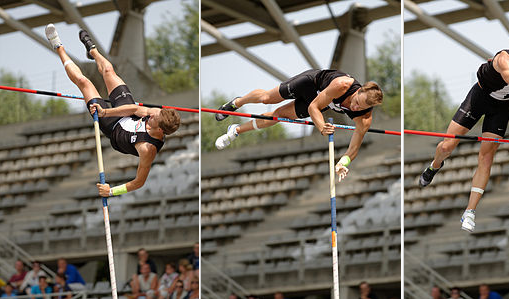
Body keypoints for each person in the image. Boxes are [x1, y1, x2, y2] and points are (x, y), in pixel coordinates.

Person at [44, 24, 180, 198]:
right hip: (125, 114)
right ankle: (92, 51)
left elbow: (139, 182)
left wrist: (112, 191)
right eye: (155, 112)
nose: (152, 114)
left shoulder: (148, 149)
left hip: (115, 129)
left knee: (83, 82)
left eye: (154, 118)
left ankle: (58, 45)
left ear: (160, 130)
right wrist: (106, 111)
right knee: (108, 70)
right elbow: (135, 109)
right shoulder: (157, 113)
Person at [214, 69, 383, 181]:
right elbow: (313, 107)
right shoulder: (342, 85)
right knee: (267, 99)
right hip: (309, 84)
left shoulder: (364, 118)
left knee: (279, 116)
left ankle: (235, 130)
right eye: (356, 102)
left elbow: (353, 149)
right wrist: (322, 127)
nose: (355, 108)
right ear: (358, 91)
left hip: (319, 102)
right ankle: (237, 102)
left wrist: (342, 163)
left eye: (361, 108)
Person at [419, 50, 509, 232]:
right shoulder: (504, 59)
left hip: (502, 108)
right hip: (479, 99)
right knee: (447, 146)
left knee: (486, 158)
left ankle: (469, 212)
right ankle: (434, 166)